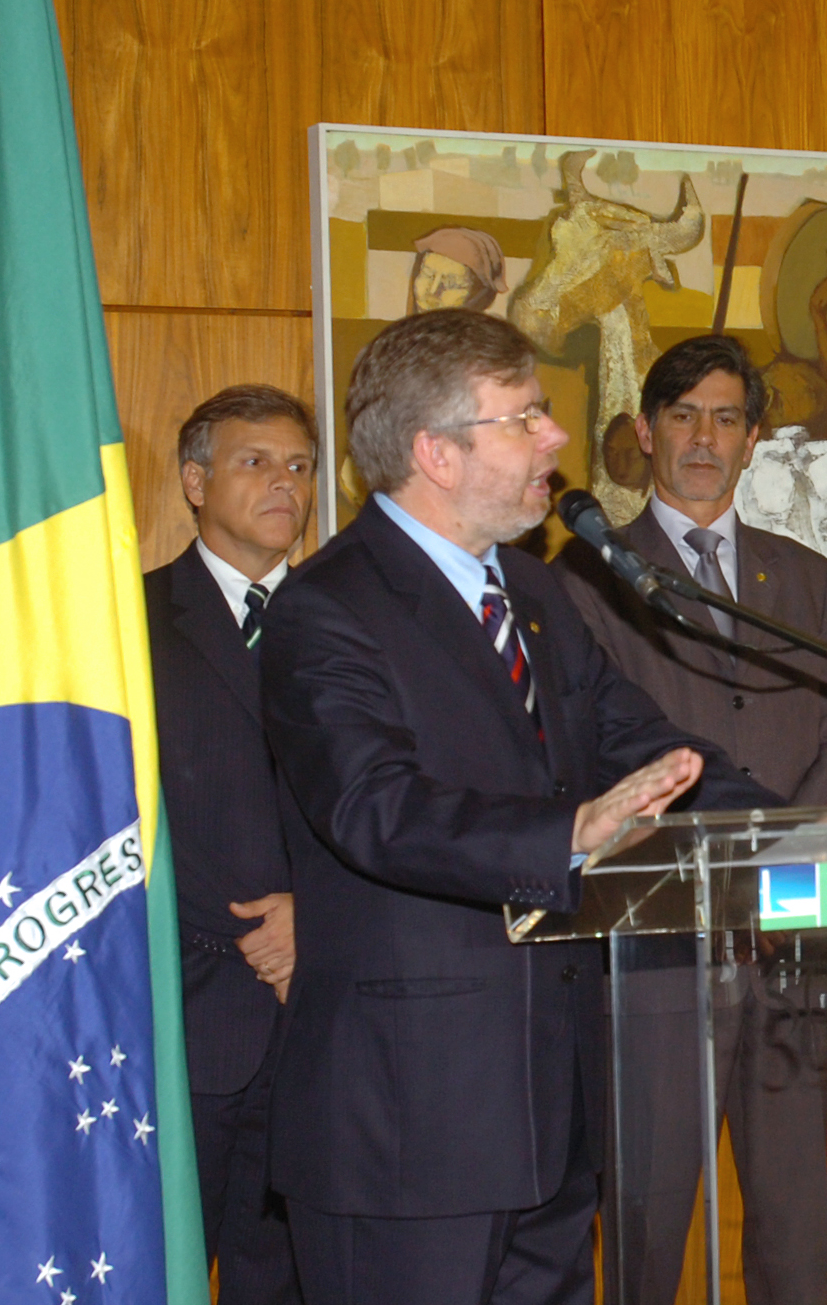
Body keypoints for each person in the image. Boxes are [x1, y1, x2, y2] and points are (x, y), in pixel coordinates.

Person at [257, 309, 779, 1305]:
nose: (554, 438)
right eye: (524, 416)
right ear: (433, 453)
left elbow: (649, 752)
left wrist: (788, 828)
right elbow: (374, 808)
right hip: (409, 1126)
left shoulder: (537, 594)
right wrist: (567, 834)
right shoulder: (325, 607)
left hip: (552, 1114)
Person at [557, 334, 827, 1304]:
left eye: (726, 417)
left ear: (754, 438)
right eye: (683, 416)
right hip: (656, 949)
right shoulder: (587, 576)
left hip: (788, 940)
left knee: (793, 1220)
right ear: (644, 433)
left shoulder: (804, 576)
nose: (704, 437)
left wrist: (781, 871)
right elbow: (591, 756)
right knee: (647, 1224)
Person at [144, 384, 317, 1305]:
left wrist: (312, 917)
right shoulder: (129, 627)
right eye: (256, 462)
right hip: (183, 1018)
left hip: (323, 1024)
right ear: (195, 481)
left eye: (299, 467)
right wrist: (250, 926)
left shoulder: (350, 624)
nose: (284, 484)